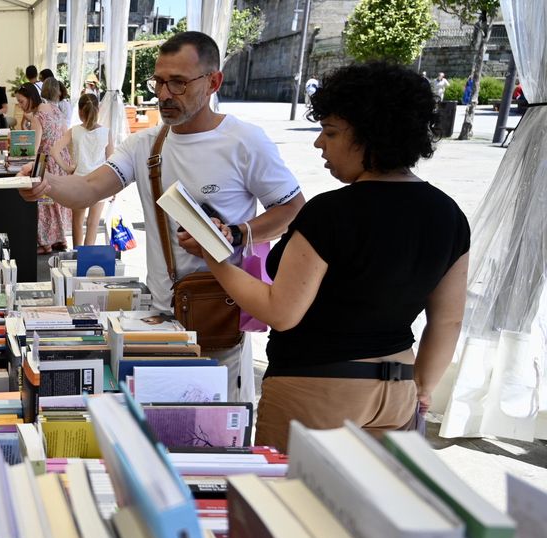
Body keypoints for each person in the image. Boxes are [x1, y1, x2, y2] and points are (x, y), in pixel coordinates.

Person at [18, 31, 305, 402]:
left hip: (217, 318)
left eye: (179, 83)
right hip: (159, 320)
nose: (165, 94)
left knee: (217, 438)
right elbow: (89, 188)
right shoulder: (145, 143)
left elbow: (293, 211)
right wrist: (46, 183)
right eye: (159, 81)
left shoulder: (245, 141)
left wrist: (237, 233)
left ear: (213, 81)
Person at [199, 62, 468, 451]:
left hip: (317, 387)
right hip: (397, 391)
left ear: (372, 136)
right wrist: (423, 386)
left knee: (287, 506)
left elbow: (282, 311)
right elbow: (449, 319)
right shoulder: (449, 213)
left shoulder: (332, 212)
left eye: (331, 132)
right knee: (366, 508)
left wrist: (216, 260)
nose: (318, 144)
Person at [50, 93, 113, 246]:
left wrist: (67, 168)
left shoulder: (74, 131)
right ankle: (87, 263)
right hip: (101, 182)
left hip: (79, 181)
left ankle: (76, 258)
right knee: (93, 225)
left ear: (79, 112)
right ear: (98, 110)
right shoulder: (106, 132)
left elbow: (54, 151)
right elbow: (111, 161)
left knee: (77, 224)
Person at [16, 82, 71, 253]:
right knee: (58, 201)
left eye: (21, 101)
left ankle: (45, 242)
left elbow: (34, 147)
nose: (20, 105)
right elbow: (65, 133)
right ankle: (60, 239)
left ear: (31, 99)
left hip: (44, 162)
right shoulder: (54, 108)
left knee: (43, 202)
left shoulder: (38, 117)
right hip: (61, 159)